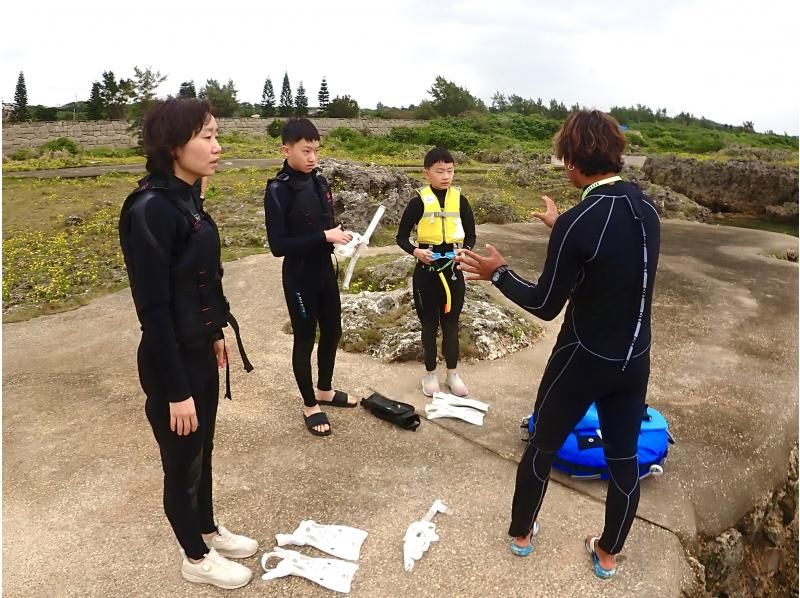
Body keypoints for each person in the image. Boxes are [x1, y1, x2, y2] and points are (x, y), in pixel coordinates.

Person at [457, 110, 661, 579]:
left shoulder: (579, 220)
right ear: (615, 151)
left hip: (583, 357)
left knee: (543, 446)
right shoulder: (646, 209)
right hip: (635, 360)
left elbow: (546, 304)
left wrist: (498, 273)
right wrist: (560, 230)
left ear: (571, 161)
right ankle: (608, 554)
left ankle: (522, 534)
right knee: (623, 457)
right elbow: (616, 259)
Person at [118, 98, 256, 589]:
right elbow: (153, 311)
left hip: (198, 350)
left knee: (203, 450)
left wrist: (215, 331)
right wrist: (176, 391)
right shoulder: (151, 209)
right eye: (208, 137)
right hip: (168, 361)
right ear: (174, 146)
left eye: (217, 135)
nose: (218, 147)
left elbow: (200, 281)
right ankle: (195, 559)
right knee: (181, 463)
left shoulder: (186, 198)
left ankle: (207, 528)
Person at [263, 118, 356, 437]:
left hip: (324, 271)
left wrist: (343, 239)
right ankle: (309, 404)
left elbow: (326, 228)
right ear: (286, 150)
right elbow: (278, 246)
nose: (312, 157)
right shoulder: (278, 190)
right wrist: (324, 237)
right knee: (305, 338)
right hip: (299, 276)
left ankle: (325, 390)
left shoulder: (320, 183)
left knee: (333, 331)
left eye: (316, 150)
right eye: (306, 151)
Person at [396, 147, 476, 397]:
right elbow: (401, 237)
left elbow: (471, 235)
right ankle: (430, 374)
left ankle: (452, 373)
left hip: (453, 271)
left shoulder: (460, 200)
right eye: (439, 171)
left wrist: (466, 251)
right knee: (429, 325)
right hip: (426, 272)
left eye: (450, 171)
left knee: (451, 324)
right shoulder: (418, 201)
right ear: (426, 173)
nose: (446, 176)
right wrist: (416, 252)